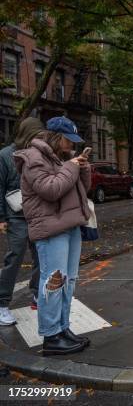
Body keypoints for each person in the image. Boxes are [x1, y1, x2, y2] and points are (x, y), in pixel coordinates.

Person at [14, 116, 92, 356]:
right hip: (50, 228)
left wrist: (83, 169)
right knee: (54, 281)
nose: (72, 146)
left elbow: (79, 190)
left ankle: (62, 328)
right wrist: (72, 167)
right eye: (69, 140)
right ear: (57, 137)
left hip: (69, 224)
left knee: (67, 281)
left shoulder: (60, 157)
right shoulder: (33, 157)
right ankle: (51, 336)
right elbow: (50, 190)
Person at [0, 118, 44, 325]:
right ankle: (2, 304)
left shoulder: (38, 153)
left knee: (40, 257)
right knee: (14, 258)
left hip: (36, 215)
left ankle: (36, 295)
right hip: (15, 215)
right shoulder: (5, 155)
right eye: (36, 134)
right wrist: (1, 218)